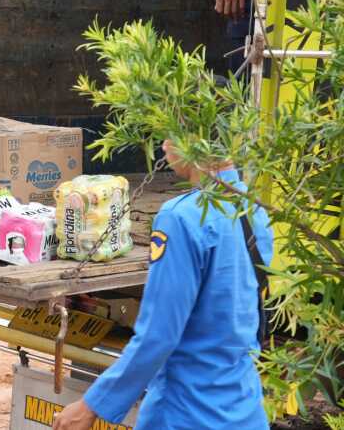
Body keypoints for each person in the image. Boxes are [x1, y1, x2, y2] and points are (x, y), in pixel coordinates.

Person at [51, 139, 273, 430]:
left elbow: (158, 335)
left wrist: (91, 405)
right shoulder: (253, 207)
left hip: (188, 413)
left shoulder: (181, 217)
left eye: (172, 133)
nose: (165, 146)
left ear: (195, 140)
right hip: (244, 410)